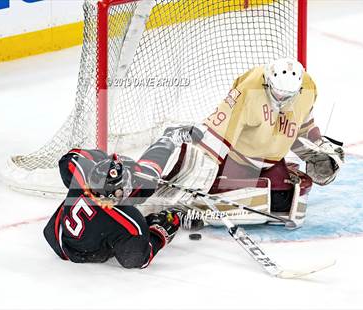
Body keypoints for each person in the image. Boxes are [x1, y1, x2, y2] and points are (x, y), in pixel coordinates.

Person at [167, 58, 344, 217]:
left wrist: (318, 147)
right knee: (214, 191)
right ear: (267, 82)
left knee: (282, 200)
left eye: (287, 96)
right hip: (236, 161)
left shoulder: (308, 88)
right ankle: (183, 143)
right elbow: (220, 134)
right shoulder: (248, 91)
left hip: (273, 163)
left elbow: (302, 125)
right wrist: (200, 174)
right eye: (278, 93)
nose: (281, 99)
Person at [43, 136, 202, 268]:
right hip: (90, 252)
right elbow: (138, 259)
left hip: (58, 236)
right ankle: (167, 141)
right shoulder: (129, 222)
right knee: (144, 183)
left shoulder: (80, 175)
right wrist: (160, 231)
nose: (126, 187)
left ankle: (166, 141)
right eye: (122, 187)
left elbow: (68, 158)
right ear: (112, 194)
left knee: (138, 182)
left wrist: (107, 162)